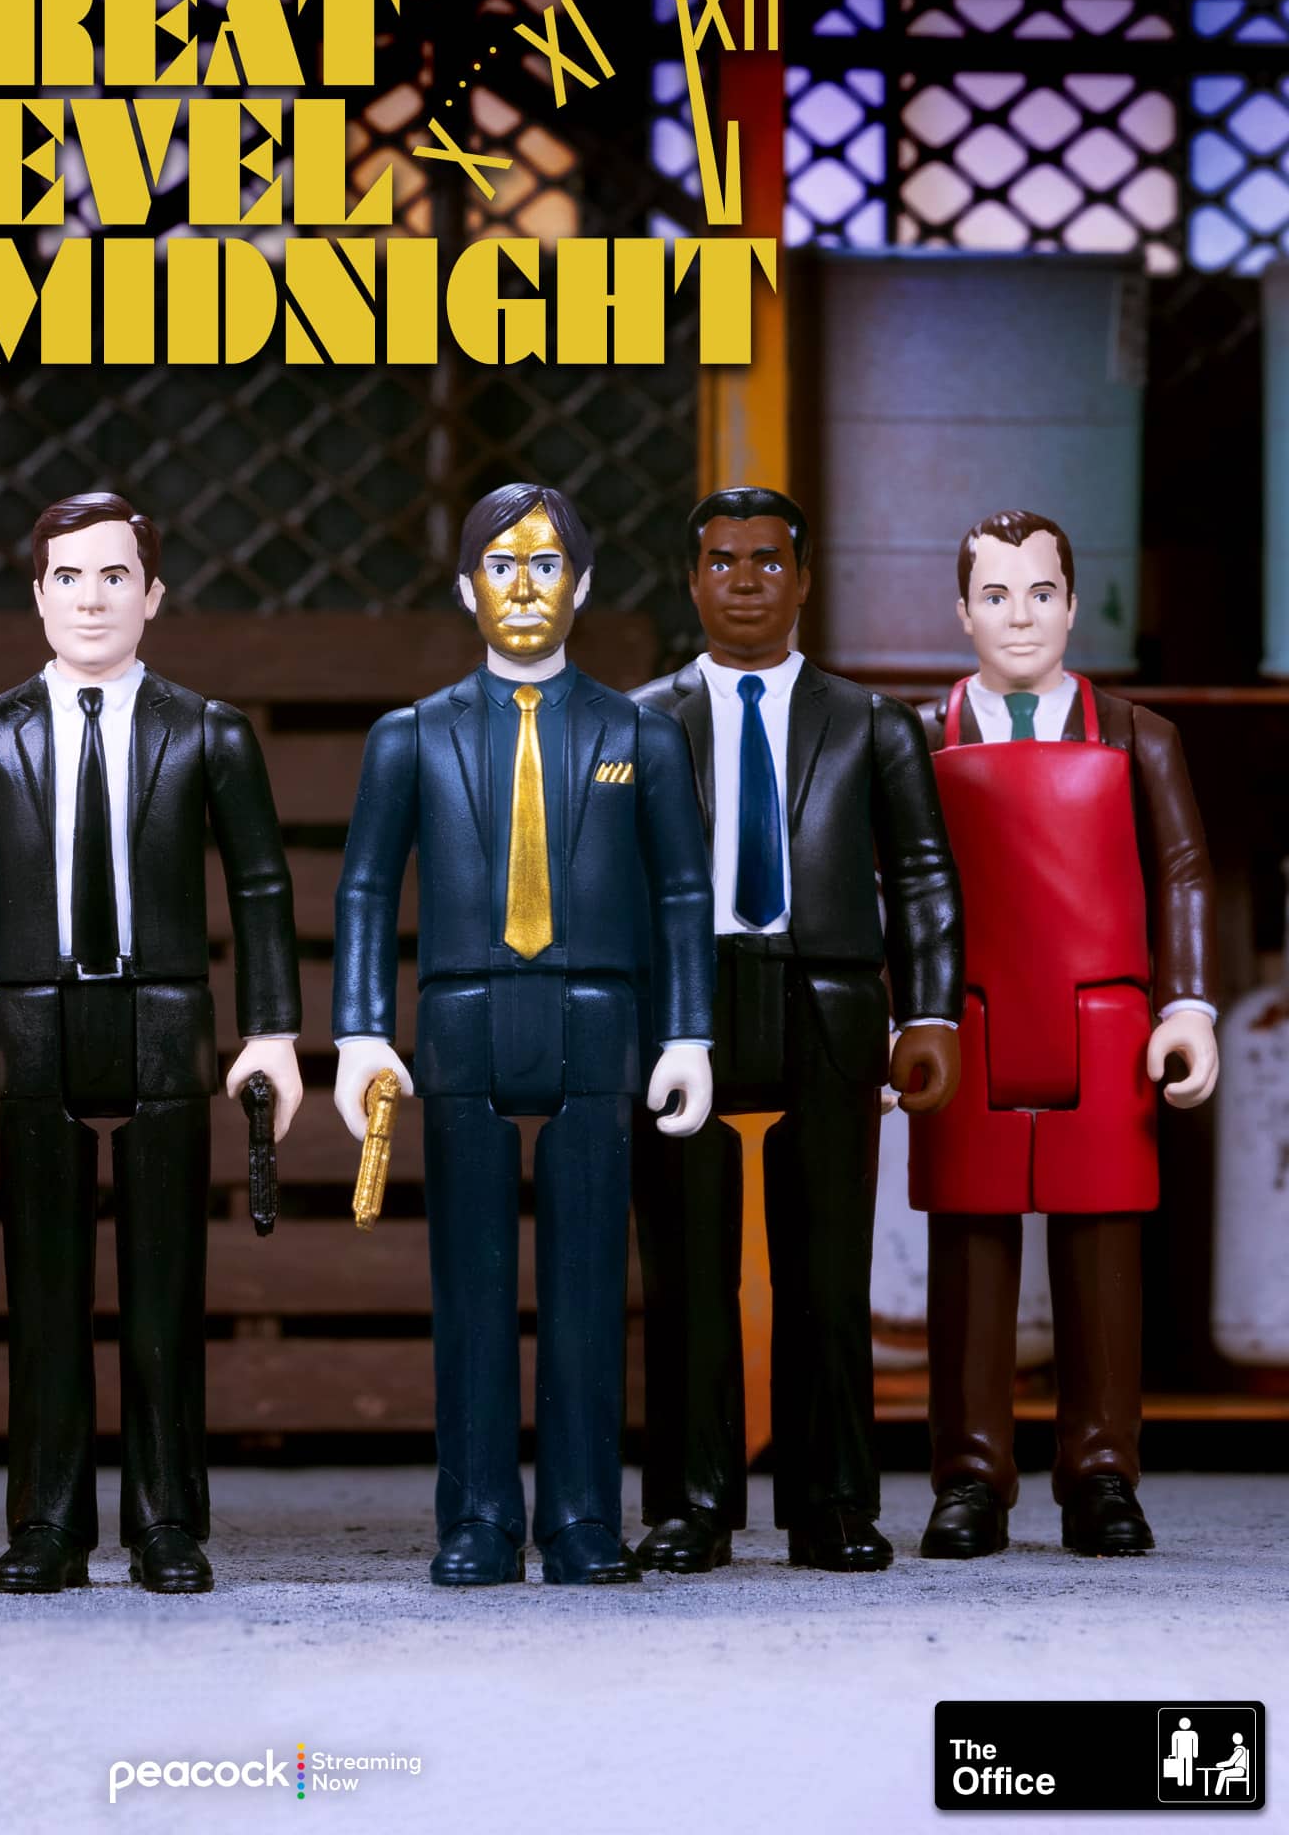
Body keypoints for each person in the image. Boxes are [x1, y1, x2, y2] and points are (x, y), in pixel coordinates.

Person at [0, 492, 301, 1596]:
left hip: (165, 1016)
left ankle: (167, 1517)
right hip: (32, 1021)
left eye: (115, 575)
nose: (91, 598)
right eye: (69, 577)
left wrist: (271, 1030)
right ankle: (47, 1519)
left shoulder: (208, 731)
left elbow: (261, 887)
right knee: (43, 1291)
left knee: (167, 1287)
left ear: (153, 594)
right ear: (38, 594)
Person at [332, 482, 715, 1586]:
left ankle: (583, 1514)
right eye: (500, 565)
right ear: (466, 588)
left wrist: (687, 1032)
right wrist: (359, 1031)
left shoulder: (638, 734)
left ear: (580, 584)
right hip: (462, 1017)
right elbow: (365, 891)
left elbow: (681, 894)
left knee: (590, 1284)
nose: (524, 587)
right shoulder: (410, 736)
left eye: (546, 564)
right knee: (471, 1285)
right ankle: (478, 1515)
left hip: (599, 1018)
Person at [629, 486, 964, 1575]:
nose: (744, 579)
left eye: (767, 559)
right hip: (684, 1001)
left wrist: (928, 1008)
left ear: (804, 579)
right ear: (691, 581)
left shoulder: (871, 724)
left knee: (826, 1262)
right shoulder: (637, 722)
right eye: (722, 560)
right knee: (686, 1264)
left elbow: (922, 874)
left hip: (828, 993)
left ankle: (831, 1499)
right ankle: (691, 1500)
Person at [913, 510, 1217, 1561]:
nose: (1019, 616)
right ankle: (967, 1474)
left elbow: (1183, 873)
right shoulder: (919, 736)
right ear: (962, 612)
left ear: (1073, 605)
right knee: (969, 1244)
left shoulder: (1137, 735)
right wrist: (901, 1015)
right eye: (994, 595)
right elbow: (893, 884)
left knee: (1101, 1247)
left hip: (1103, 1019)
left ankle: (1100, 1471)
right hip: (968, 1015)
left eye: (1040, 592)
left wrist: (1187, 1004)